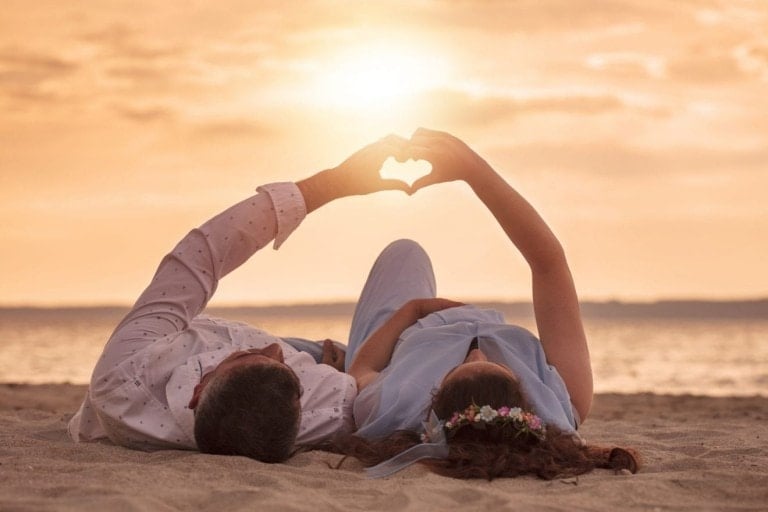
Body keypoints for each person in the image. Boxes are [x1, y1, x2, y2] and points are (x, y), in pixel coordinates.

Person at [68, 135, 411, 463]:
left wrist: (329, 185)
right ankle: (344, 354)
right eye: (286, 368)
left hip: (189, 355)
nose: (275, 349)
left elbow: (201, 255)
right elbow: (366, 388)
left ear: (199, 390)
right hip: (335, 374)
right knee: (406, 256)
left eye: (251, 356)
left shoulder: (127, 371)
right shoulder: (327, 408)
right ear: (299, 410)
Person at [341, 128, 640, 479]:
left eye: (460, 366)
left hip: (405, 327)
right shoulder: (561, 401)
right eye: (494, 365)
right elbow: (549, 264)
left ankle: (328, 351)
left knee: (405, 252)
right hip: (431, 319)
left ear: (433, 403)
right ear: (523, 395)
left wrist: (412, 312)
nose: (476, 353)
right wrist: (474, 171)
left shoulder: (396, 407)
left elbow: (361, 369)